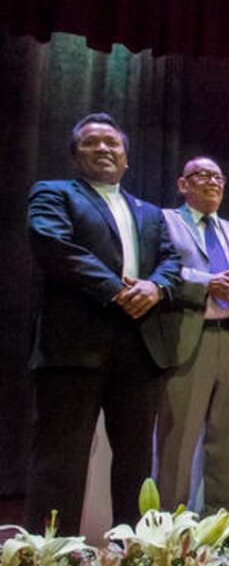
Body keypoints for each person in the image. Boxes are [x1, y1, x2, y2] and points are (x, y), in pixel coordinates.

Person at [25, 112, 181, 534]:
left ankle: (131, 556)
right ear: (75, 154)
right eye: (92, 142)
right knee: (60, 458)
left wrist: (155, 288)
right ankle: (49, 564)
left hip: (140, 346)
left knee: (135, 463)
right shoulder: (54, 194)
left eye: (112, 143)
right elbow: (54, 245)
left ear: (126, 158)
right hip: (74, 345)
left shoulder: (148, 212)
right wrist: (117, 289)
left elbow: (172, 260)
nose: (104, 149)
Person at [156, 157, 229, 514]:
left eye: (218, 176)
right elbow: (161, 271)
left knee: (227, 444)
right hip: (190, 340)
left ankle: (220, 532)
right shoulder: (164, 221)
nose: (212, 182)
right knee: (179, 443)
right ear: (182, 184)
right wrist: (208, 283)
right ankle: (170, 535)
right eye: (202, 175)